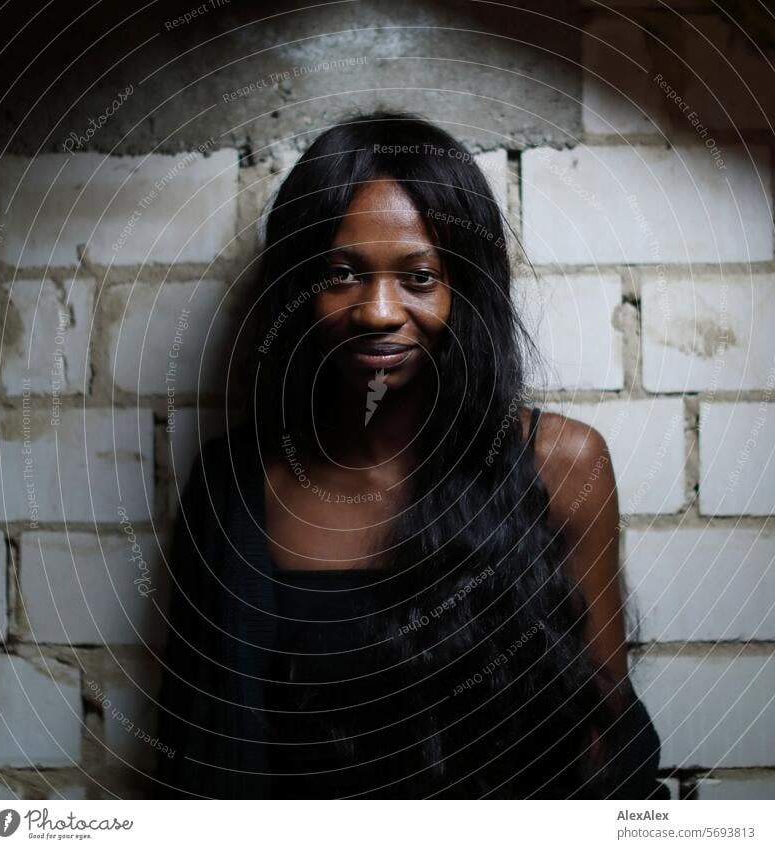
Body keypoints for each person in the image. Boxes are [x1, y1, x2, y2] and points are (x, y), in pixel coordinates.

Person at [155, 111, 669, 800]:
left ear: (465, 289)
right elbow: (197, 751)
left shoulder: (562, 464)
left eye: (419, 277)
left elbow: (605, 740)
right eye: (342, 274)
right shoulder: (233, 487)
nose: (377, 310)